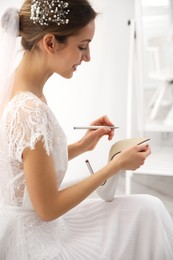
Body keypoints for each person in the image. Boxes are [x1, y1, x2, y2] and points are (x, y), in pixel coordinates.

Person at [0, 0, 173, 259]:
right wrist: (115, 166)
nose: (88, 57)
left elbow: (24, 168)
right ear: (49, 43)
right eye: (82, 46)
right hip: (39, 242)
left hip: (36, 226)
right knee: (148, 213)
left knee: (147, 209)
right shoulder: (29, 110)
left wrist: (83, 145)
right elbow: (48, 208)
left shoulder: (18, 87)